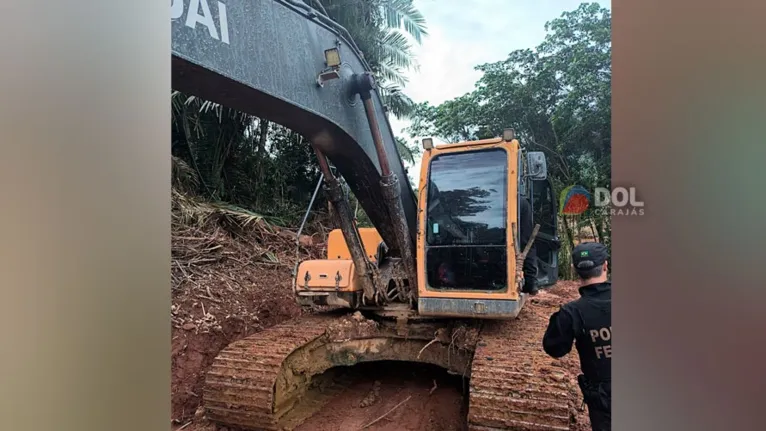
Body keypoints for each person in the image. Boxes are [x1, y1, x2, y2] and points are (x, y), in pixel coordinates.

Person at [542, 241, 611, 431]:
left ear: (575, 270)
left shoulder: (572, 313)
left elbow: (554, 348)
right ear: (605, 265)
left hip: (604, 400)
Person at [519, 197, 539, 295]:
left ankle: (531, 283)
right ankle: (531, 283)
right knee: (527, 243)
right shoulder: (521, 202)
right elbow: (526, 239)